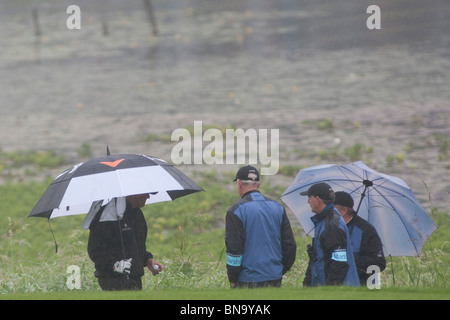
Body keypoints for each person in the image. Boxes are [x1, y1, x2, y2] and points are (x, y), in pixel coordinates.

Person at [225, 165, 297, 288]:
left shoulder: (235, 211)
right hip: (274, 277)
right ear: (258, 184)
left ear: (239, 183)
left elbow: (234, 250)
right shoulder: (278, 207)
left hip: (247, 280)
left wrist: (233, 278)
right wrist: (279, 270)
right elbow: (290, 245)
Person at [88, 193, 164, 291]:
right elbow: (95, 250)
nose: (148, 197)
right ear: (133, 194)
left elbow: (136, 245)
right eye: (145, 193)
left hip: (135, 278)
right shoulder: (106, 216)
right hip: (112, 281)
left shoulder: (137, 213)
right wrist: (115, 266)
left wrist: (147, 259)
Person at [301, 183, 359, 287]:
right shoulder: (324, 220)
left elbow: (339, 263)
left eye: (309, 198)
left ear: (317, 199)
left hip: (337, 291)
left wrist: (329, 291)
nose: (308, 201)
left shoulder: (331, 225)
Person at [334, 191, 386, 285]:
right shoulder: (330, 227)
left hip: (360, 286)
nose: (329, 212)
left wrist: (350, 256)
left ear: (344, 210)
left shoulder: (366, 230)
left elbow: (379, 264)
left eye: (332, 209)